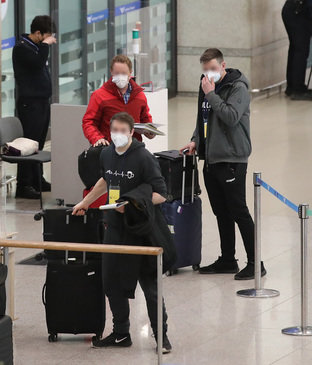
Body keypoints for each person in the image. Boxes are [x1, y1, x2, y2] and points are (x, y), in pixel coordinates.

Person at [72, 112, 172, 354]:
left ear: (130, 133)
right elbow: (105, 181)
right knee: (111, 282)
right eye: (113, 130)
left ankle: (161, 336)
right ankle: (120, 333)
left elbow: (161, 194)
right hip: (114, 228)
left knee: (150, 287)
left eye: (121, 131)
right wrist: (85, 201)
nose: (117, 135)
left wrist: (134, 205)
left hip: (141, 230)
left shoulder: (144, 158)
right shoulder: (106, 154)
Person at [181, 48, 265, 280]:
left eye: (213, 69)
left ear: (223, 65)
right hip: (211, 158)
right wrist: (195, 140)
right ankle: (228, 259)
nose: (209, 74)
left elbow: (230, 116)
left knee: (239, 210)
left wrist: (211, 94)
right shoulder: (206, 85)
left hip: (232, 158)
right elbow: (204, 118)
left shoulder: (238, 87)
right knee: (221, 211)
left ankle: (256, 262)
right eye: (205, 70)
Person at [12, 15, 57, 199]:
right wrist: (45, 45)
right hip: (30, 104)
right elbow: (38, 64)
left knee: (38, 143)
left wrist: (43, 45)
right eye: (45, 36)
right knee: (28, 144)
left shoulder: (36, 47)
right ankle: (24, 185)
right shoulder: (22, 48)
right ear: (37, 33)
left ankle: (38, 179)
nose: (48, 40)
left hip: (42, 102)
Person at [82, 54, 156, 147]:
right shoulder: (99, 96)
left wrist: (150, 131)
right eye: (117, 73)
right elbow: (89, 122)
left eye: (124, 73)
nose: (120, 76)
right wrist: (97, 138)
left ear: (130, 73)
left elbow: (146, 120)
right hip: (109, 149)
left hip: (133, 149)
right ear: (111, 72)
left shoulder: (139, 96)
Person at [282, 0, 312, 100]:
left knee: (295, 49)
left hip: (292, 11)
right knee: (300, 51)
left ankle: (292, 87)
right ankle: (297, 89)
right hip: (298, 13)